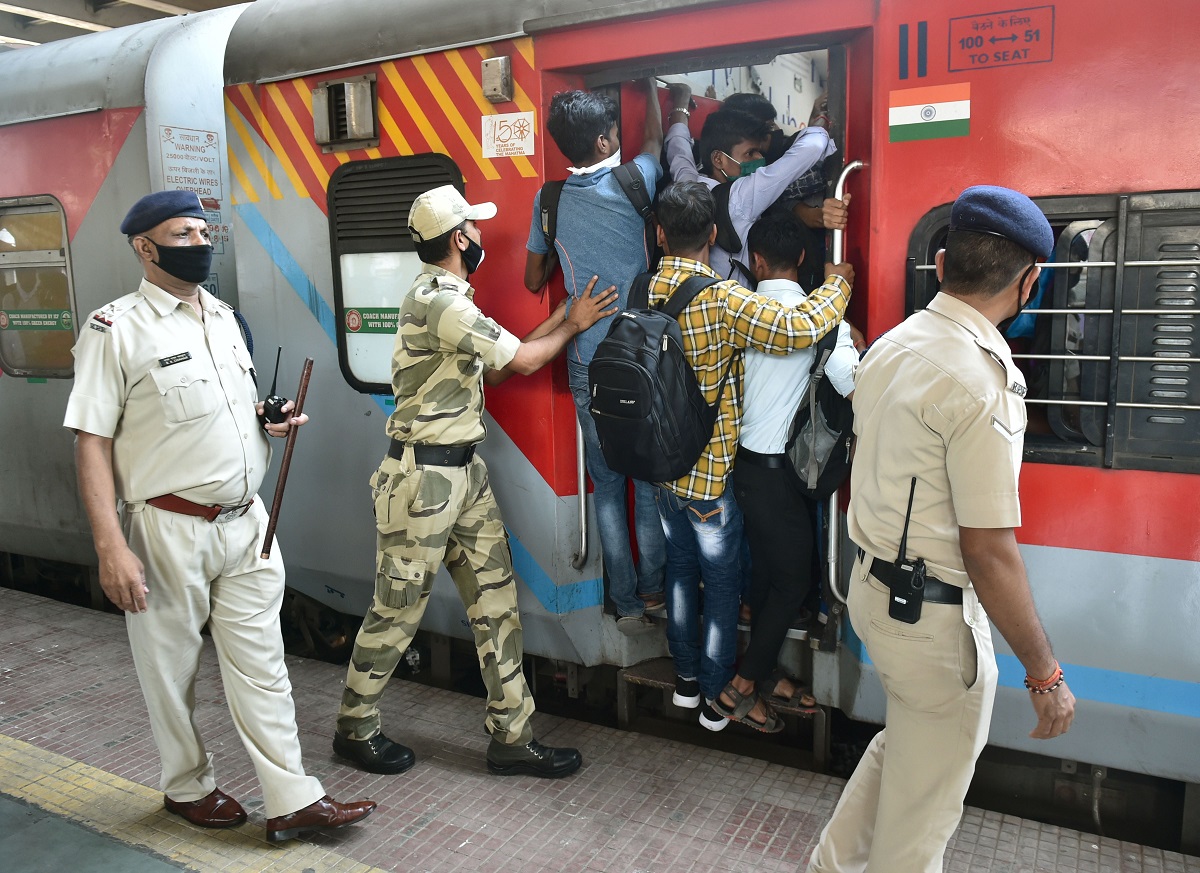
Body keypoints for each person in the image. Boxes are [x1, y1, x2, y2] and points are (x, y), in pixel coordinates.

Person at [63, 190, 376, 844]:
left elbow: (230, 412)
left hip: (248, 525)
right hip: (166, 528)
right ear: (145, 248)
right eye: (184, 232)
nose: (200, 243)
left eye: (205, 231)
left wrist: (271, 423)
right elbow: (90, 440)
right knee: (170, 670)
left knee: (265, 664)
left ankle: (292, 796)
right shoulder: (115, 329)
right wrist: (110, 546)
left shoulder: (227, 319)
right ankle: (187, 786)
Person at [806, 186, 1076, 873]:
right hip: (931, 620)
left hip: (874, 593)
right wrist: (1044, 673)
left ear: (946, 259)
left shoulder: (897, 342)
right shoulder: (981, 382)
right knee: (921, 822)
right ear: (1028, 280)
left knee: (909, 746)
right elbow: (988, 552)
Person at [335, 185, 617, 779]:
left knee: (496, 605)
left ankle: (512, 738)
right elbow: (526, 361)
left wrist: (569, 313)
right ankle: (354, 729)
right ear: (460, 239)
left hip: (464, 473)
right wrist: (575, 326)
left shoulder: (452, 300)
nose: (484, 236)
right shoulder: (444, 304)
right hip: (423, 482)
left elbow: (511, 350)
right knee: (398, 610)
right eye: (476, 228)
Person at [646, 181, 853, 731]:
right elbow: (798, 327)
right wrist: (836, 288)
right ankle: (721, 694)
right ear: (714, 235)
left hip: (663, 471)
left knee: (681, 578)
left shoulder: (647, 288)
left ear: (660, 234)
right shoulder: (721, 298)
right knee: (723, 592)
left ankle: (689, 682)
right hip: (712, 477)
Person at [524, 81, 667, 636]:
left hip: (585, 357)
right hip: (643, 356)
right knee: (648, 481)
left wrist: (570, 287)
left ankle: (625, 602)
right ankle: (653, 591)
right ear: (608, 140)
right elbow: (654, 141)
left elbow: (533, 275)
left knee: (606, 484)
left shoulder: (549, 199)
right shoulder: (638, 178)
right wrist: (660, 95)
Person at [718, 212, 858, 732]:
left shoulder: (740, 311)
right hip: (790, 475)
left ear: (755, 262)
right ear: (802, 259)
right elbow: (852, 383)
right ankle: (743, 685)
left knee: (770, 571)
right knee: (795, 578)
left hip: (746, 469)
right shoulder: (827, 322)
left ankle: (764, 669)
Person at [664, 83, 836, 284]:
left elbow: (678, 145)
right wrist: (821, 124)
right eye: (750, 153)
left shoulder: (688, 183)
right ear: (719, 159)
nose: (758, 160)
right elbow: (813, 147)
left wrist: (681, 102)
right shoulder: (742, 197)